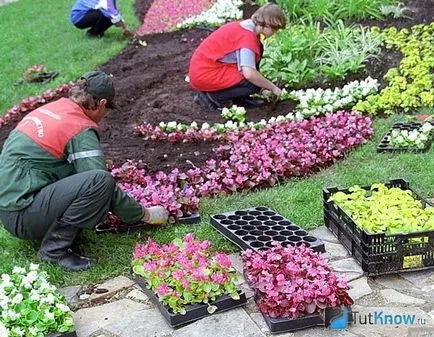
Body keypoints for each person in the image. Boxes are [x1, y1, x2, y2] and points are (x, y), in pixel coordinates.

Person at [0, 71, 168, 271]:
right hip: (24, 216)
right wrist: (145, 214)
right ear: (102, 103)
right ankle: (54, 251)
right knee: (100, 182)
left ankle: (56, 234)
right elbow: (101, 183)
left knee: (83, 175)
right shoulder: (79, 127)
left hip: (10, 207)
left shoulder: (53, 109)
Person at [188, 3, 287, 112]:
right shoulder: (247, 38)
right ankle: (212, 97)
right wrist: (273, 88)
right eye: (275, 29)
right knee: (251, 84)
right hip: (205, 73)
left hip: (206, 68)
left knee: (254, 79)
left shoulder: (245, 27)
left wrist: (263, 88)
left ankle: (239, 98)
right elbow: (249, 74)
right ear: (267, 25)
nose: (275, 33)